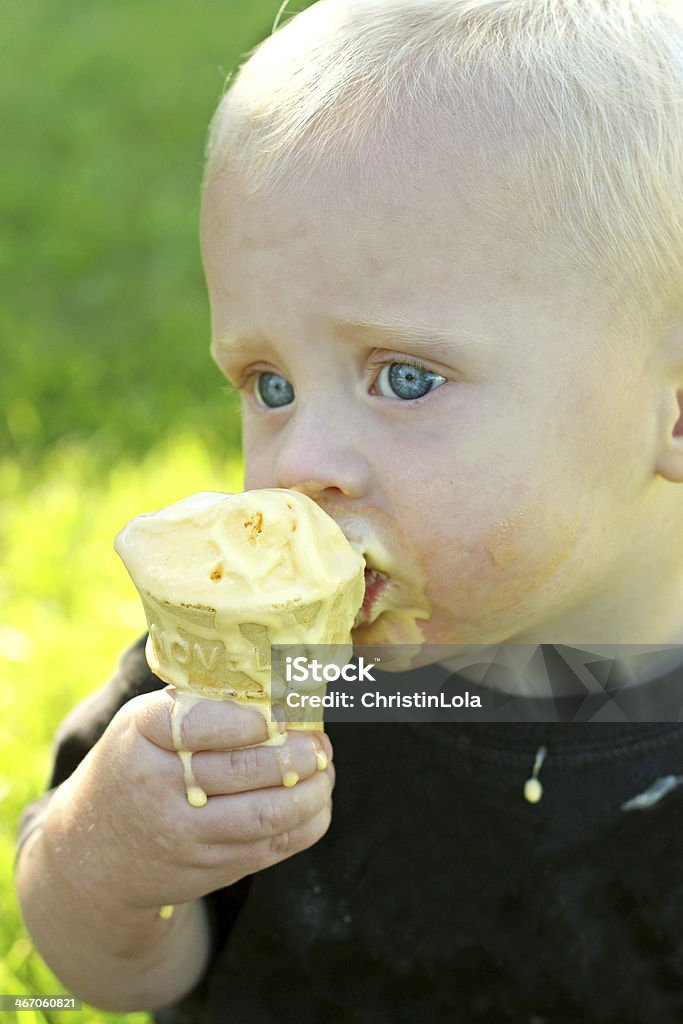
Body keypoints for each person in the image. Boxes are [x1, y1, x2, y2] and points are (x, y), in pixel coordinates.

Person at [15, 0, 683, 1020]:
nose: (300, 462)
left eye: (405, 378)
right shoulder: (256, 676)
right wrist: (106, 858)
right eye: (266, 384)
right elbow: (121, 972)